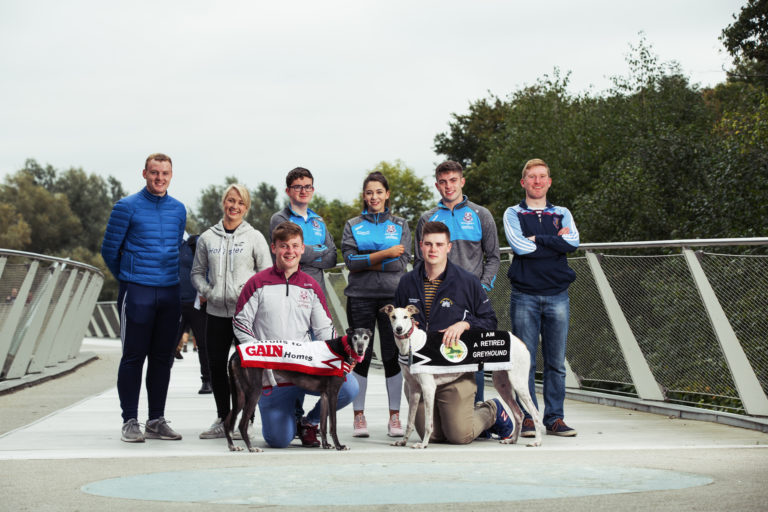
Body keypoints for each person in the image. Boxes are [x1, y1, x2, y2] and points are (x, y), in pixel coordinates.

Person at [233, 221, 359, 448]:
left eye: (295, 246)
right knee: (278, 440)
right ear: (274, 248)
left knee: (349, 386)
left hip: (305, 369)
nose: (289, 251)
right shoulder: (256, 283)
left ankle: (309, 422)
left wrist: (341, 359)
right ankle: (289, 415)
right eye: (283, 246)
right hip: (274, 376)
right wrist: (261, 361)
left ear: (302, 249)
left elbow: (324, 331)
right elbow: (241, 324)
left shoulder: (311, 286)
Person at [394, 221, 513, 444]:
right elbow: (398, 323)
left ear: (449, 247)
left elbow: (490, 321)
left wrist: (465, 325)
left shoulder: (467, 282)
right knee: (434, 435)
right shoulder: (407, 283)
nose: (433, 249)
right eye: (428, 244)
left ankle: (492, 410)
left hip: (454, 370)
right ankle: (445, 416)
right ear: (420, 246)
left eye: (439, 244)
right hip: (421, 373)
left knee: (459, 435)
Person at [100, 152, 186, 443]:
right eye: (154, 172)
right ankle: (130, 421)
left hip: (169, 291)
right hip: (136, 290)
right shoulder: (126, 207)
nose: (159, 178)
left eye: (164, 173)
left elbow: (176, 247)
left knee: (163, 359)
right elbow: (109, 251)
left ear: (171, 175)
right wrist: (129, 276)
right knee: (133, 356)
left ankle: (156, 420)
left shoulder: (178, 210)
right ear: (144, 174)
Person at [503, 158, 580, 437]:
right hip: (525, 295)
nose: (537, 182)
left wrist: (539, 239)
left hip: (558, 295)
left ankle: (555, 418)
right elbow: (520, 247)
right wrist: (553, 241)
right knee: (526, 361)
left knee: (556, 362)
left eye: (542, 177)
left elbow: (572, 243)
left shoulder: (562, 213)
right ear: (524, 183)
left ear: (549, 181)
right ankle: (527, 417)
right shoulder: (513, 213)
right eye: (531, 177)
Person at [415, 160, 500, 402]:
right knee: (440, 353)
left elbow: (494, 257)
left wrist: (481, 287)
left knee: (476, 356)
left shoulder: (481, 214)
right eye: (443, 182)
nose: (448, 186)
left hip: (472, 297)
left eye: (453, 180)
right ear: (436, 185)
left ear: (462, 181)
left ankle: (479, 410)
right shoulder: (427, 218)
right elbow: (419, 262)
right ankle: (446, 411)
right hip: (437, 297)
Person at [191, 184, 272, 439]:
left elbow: (266, 274)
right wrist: (209, 291)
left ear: (245, 207)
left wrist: (251, 299)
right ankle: (223, 418)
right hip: (215, 312)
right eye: (230, 200)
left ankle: (246, 420)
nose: (234, 206)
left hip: (245, 316)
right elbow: (195, 273)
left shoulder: (254, 237)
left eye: (240, 202)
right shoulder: (207, 238)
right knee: (216, 367)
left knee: (248, 368)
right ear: (223, 203)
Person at [341, 171, 410, 438]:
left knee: (393, 354)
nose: (374, 197)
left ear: (387, 194)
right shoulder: (353, 224)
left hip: (393, 299)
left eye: (379, 192)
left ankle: (394, 416)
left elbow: (401, 263)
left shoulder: (401, 224)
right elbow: (350, 262)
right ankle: (359, 416)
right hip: (359, 297)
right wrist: (385, 253)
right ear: (364, 196)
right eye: (369, 192)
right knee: (361, 356)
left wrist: (366, 259)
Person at [269, 167, 337, 299]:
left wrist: (303, 256)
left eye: (308, 186)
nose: (303, 191)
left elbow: (332, 258)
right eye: (298, 187)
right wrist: (321, 249)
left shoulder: (318, 220)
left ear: (313, 190)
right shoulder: (280, 219)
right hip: (289, 292)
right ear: (288, 191)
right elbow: (289, 254)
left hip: (318, 294)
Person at [174, 232, 211, 393]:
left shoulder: (195, 243)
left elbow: (209, 266)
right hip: (174, 303)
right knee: (168, 345)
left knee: (203, 344)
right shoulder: (169, 243)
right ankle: (159, 384)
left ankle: (207, 381)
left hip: (197, 302)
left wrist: (206, 290)